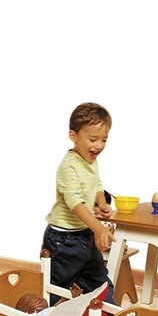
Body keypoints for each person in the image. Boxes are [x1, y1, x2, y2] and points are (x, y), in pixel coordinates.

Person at [41, 102, 115, 305]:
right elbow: (75, 203)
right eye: (93, 139)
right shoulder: (68, 166)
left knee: (100, 282)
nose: (99, 145)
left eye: (104, 140)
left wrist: (101, 202)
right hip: (63, 240)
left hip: (84, 235)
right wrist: (99, 228)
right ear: (73, 136)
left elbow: (96, 184)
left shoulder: (91, 161)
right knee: (54, 288)